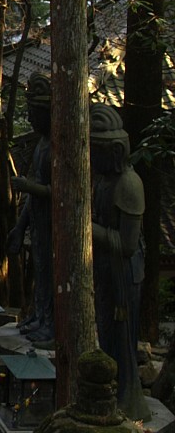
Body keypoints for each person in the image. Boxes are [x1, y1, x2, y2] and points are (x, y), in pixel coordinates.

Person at [88, 103, 148, 421]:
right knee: (106, 333)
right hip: (105, 268)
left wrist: (86, 224)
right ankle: (106, 393)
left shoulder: (129, 184)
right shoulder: (103, 181)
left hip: (125, 274)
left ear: (114, 151)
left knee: (123, 338)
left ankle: (127, 397)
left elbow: (126, 244)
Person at [8, 73, 54, 344]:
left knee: (50, 270)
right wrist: (20, 225)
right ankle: (39, 314)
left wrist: (28, 186)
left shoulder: (58, 146)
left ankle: (50, 321)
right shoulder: (41, 145)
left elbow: (59, 192)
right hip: (38, 220)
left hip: (53, 222)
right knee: (39, 269)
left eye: (35, 113)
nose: (31, 119)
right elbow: (36, 190)